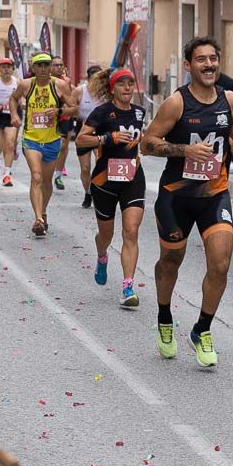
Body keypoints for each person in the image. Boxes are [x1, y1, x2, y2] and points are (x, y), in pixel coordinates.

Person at [141, 37, 233, 367]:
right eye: (201, 59)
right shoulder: (176, 104)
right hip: (176, 197)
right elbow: (147, 143)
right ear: (189, 66)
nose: (209, 64)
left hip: (215, 195)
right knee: (170, 262)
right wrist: (184, 149)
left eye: (213, 58)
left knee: (221, 263)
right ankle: (164, 317)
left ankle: (202, 329)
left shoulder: (229, 98)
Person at [76, 69, 147, 308]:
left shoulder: (140, 112)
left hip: (133, 178)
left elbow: (145, 138)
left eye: (130, 84)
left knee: (131, 231)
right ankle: (102, 255)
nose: (127, 88)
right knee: (106, 234)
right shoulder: (102, 112)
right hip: (105, 181)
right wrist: (108, 138)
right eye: (122, 84)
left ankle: (128, 286)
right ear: (112, 88)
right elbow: (81, 140)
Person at [9, 52, 77, 236]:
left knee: (47, 182)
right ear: (33, 68)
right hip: (31, 139)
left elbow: (75, 109)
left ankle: (44, 212)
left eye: (47, 65)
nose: (44, 69)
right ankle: (38, 219)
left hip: (52, 140)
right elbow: (13, 98)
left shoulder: (60, 85)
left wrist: (59, 110)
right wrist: (14, 115)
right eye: (39, 66)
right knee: (36, 177)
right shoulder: (25, 85)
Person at [70, 65, 104, 208]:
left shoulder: (106, 93)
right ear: (88, 78)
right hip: (83, 131)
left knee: (100, 163)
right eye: (95, 79)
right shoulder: (79, 91)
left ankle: (99, 192)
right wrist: (77, 117)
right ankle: (88, 192)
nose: (98, 83)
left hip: (101, 131)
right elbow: (70, 109)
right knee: (85, 168)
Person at [49, 56, 77, 190]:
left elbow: (71, 100)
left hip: (64, 116)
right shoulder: (45, 80)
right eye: (55, 65)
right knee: (50, 145)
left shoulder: (67, 81)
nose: (59, 67)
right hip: (49, 117)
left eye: (61, 65)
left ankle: (58, 175)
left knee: (63, 146)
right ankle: (47, 170)